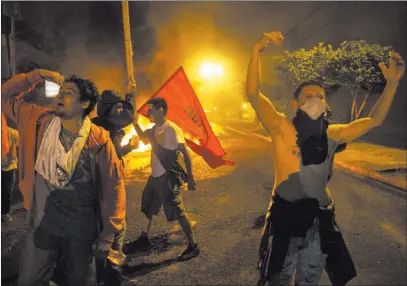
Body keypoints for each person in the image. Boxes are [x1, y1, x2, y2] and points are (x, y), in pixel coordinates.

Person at [247, 31, 405, 285]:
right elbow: (253, 93)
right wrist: (256, 52)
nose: (315, 100)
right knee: (277, 278)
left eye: (320, 97)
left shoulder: (334, 133)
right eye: (308, 97)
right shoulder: (280, 127)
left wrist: (393, 83)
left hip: (319, 220)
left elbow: (374, 120)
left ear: (326, 105)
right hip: (283, 217)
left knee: (309, 279)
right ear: (294, 104)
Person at [1, 69, 127, 286]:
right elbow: (3, 97)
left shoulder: (99, 140)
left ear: (84, 103)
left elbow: (113, 186)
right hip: (43, 225)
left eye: (68, 93)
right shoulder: (38, 121)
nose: (59, 97)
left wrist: (108, 234)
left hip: (82, 230)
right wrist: (37, 75)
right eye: (60, 92)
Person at [133, 97, 200, 261]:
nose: (148, 113)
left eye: (151, 109)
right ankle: (143, 239)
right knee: (147, 206)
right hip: (154, 177)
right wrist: (134, 123)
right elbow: (143, 136)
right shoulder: (154, 128)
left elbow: (185, 152)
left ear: (161, 109)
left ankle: (193, 245)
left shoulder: (171, 129)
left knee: (178, 210)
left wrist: (190, 177)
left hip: (168, 178)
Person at [91, 89, 139, 286]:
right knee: (114, 231)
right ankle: (111, 277)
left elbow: (115, 152)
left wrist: (128, 147)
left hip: (107, 184)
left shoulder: (105, 125)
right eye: (117, 107)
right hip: (104, 187)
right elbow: (128, 117)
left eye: (121, 107)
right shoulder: (102, 125)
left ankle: (105, 275)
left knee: (108, 232)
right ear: (106, 109)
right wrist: (130, 101)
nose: (121, 111)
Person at [1, 127, 18, 223]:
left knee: (7, 191)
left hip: (9, 167)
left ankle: (4, 213)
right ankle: (4, 213)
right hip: (8, 167)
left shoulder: (12, 132)